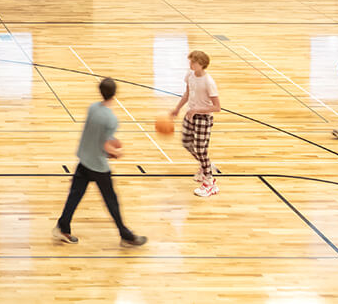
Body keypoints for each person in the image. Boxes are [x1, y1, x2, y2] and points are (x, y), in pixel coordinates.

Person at [54, 78, 147, 247]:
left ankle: (63, 227)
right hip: (97, 165)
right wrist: (117, 152)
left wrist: (111, 141)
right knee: (111, 200)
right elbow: (105, 145)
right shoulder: (111, 119)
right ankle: (126, 236)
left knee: (75, 195)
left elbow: (96, 134)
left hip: (84, 159)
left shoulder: (92, 108)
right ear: (115, 93)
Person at [167, 50, 222, 197]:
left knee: (200, 148)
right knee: (186, 143)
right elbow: (187, 93)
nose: (190, 64)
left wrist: (198, 109)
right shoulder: (190, 75)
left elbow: (217, 107)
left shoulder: (209, 82)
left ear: (202, 64)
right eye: (190, 61)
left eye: (193, 62)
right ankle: (206, 166)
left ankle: (210, 183)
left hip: (203, 118)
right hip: (191, 114)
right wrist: (177, 108)